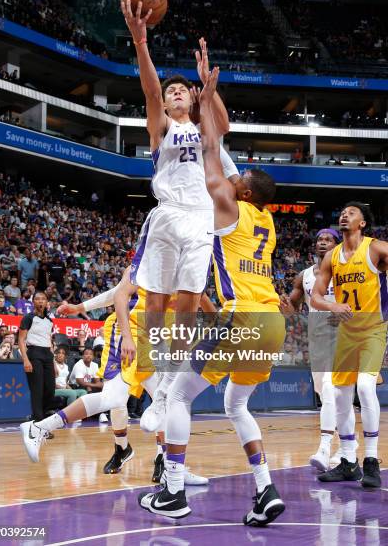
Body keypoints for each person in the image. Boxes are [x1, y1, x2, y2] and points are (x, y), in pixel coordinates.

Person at [138, 68, 285, 525]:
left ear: (242, 191)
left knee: (179, 396)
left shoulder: (225, 203)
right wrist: (210, 96)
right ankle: (265, 489)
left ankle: (174, 492)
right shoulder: (269, 224)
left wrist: (207, 100)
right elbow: (217, 142)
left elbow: (215, 148)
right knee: (235, 405)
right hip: (274, 323)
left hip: (241, 319)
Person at [120, 11, 237, 431]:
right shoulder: (161, 126)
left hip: (200, 216)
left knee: (188, 303)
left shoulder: (204, 125)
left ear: (190, 97)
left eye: (179, 91)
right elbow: (150, 89)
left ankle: (169, 384)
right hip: (167, 215)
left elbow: (222, 126)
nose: (173, 94)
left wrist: (210, 90)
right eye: (170, 93)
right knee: (155, 303)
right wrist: (140, 43)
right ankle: (158, 380)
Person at [19, 273, 208, 489]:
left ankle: (167, 464)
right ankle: (146, 457)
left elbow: (199, 312)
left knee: (161, 400)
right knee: (125, 399)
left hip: (155, 337)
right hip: (131, 332)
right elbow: (119, 293)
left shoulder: (193, 266)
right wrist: (81, 307)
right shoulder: (153, 252)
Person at [312, 202, 388, 488]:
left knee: (366, 388)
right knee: (340, 395)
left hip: (373, 330)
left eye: (352, 212)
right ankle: (347, 461)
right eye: (342, 212)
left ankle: (371, 460)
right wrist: (332, 305)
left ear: (363, 223)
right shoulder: (331, 256)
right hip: (346, 333)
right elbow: (316, 297)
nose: (345, 214)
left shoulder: (377, 248)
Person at [280, 229, 341, 470]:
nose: (323, 243)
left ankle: (325, 447)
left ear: (337, 245)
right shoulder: (304, 276)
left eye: (328, 240)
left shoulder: (346, 271)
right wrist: (285, 308)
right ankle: (348, 446)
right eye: (320, 240)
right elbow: (292, 309)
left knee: (329, 389)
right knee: (323, 391)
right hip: (317, 340)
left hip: (343, 338)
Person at [18, 292, 56, 425]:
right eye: (37, 299)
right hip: (34, 354)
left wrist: (54, 362)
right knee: (37, 390)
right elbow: (21, 340)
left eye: (43, 299)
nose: (40, 301)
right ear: (33, 302)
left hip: (47, 355)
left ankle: (43, 421)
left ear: (47, 302)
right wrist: (25, 359)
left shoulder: (50, 321)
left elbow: (50, 341)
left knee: (50, 390)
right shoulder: (28, 318)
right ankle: (38, 423)